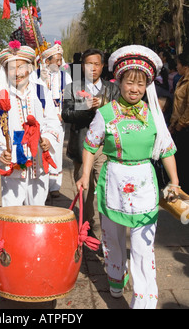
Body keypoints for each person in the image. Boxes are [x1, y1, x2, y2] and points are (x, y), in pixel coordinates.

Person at [77, 45, 179, 309]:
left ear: (147, 85)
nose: (135, 89)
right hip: (113, 182)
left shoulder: (154, 115)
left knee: (143, 247)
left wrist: (175, 182)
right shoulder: (105, 114)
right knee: (112, 239)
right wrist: (85, 175)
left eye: (141, 83)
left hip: (145, 184)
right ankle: (115, 276)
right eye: (129, 82)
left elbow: (166, 150)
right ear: (119, 81)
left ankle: (144, 301)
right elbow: (90, 145)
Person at [0, 41, 61, 207]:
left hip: (38, 163)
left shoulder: (41, 92)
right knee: (12, 210)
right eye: (12, 68)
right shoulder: (0, 97)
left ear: (29, 68)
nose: (17, 73)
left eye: (21, 67)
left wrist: (48, 138)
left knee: (38, 209)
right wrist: (0, 152)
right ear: (5, 71)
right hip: (13, 164)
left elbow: (52, 121)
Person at [62, 48, 120, 225]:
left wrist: (103, 107)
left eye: (96, 64)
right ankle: (88, 227)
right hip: (82, 146)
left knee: (106, 191)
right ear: (82, 66)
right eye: (89, 64)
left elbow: (119, 117)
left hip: (105, 147)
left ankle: (107, 229)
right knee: (85, 192)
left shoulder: (113, 89)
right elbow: (66, 115)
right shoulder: (72, 88)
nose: (93, 68)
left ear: (102, 66)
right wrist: (85, 108)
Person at [39, 41, 72, 197]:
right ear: (47, 61)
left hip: (59, 120)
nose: (60, 63)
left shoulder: (67, 76)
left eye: (61, 59)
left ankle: (54, 186)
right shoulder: (37, 76)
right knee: (43, 149)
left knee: (57, 149)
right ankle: (42, 184)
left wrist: (64, 113)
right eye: (56, 60)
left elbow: (73, 98)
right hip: (42, 118)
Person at [169, 52, 189, 193]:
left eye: (178, 64)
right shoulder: (182, 80)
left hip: (185, 128)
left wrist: (180, 124)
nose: (177, 67)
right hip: (178, 128)